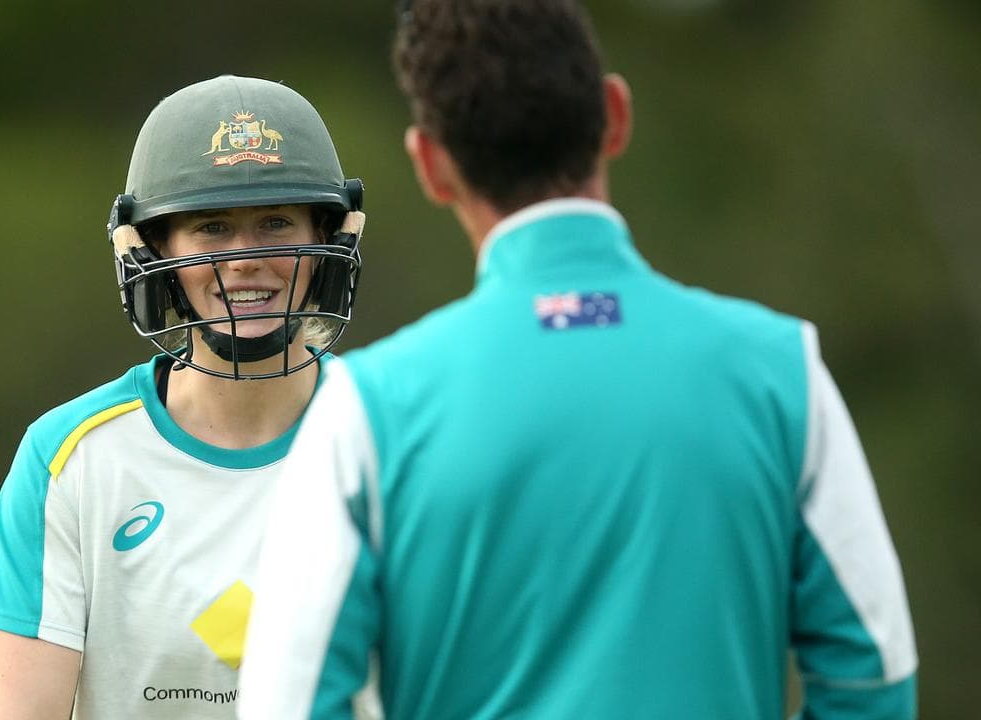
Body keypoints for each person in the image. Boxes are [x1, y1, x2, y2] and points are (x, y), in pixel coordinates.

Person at [237, 2, 917, 718]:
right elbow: (872, 677)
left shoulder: (367, 405)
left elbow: (291, 703)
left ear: (431, 165)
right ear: (614, 114)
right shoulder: (784, 370)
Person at [0, 74, 366, 719]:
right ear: (154, 250)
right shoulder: (69, 459)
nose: (245, 260)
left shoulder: (391, 440)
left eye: (276, 223)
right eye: (212, 228)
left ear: (327, 242)